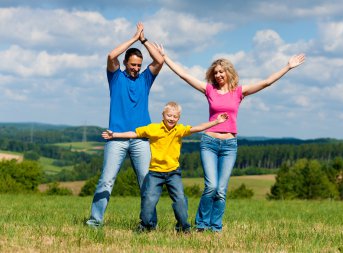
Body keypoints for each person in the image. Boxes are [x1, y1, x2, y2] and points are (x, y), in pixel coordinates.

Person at [154, 44, 305, 232]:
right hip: (209, 142)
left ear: (228, 72)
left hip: (229, 145)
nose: (218, 75)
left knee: (221, 190)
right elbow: (184, 75)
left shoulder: (239, 92)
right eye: (215, 73)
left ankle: (215, 227)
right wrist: (165, 57)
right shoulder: (210, 91)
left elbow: (266, 82)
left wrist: (287, 66)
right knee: (211, 186)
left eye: (221, 72)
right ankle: (201, 225)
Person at [101, 102, 229, 232]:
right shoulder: (153, 128)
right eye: (169, 115)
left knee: (180, 200)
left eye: (175, 116)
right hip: (155, 173)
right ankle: (146, 225)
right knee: (149, 200)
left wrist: (216, 122)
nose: (171, 119)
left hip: (173, 173)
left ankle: (183, 226)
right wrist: (115, 135)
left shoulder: (179, 130)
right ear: (163, 115)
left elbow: (197, 128)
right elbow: (134, 134)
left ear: (178, 118)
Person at [86, 22, 164, 227]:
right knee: (106, 180)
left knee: (146, 183)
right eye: (133, 64)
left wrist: (144, 40)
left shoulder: (146, 79)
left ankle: (149, 224)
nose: (136, 68)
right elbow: (111, 56)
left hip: (141, 139)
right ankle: (95, 221)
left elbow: (160, 60)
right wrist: (133, 38)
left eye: (139, 65)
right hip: (116, 138)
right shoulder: (115, 77)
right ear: (126, 63)